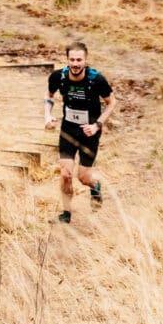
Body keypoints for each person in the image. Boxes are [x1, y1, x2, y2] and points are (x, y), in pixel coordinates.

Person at [44, 42, 115, 223]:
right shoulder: (58, 77)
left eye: (79, 60)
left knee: (83, 177)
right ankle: (66, 214)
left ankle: (95, 186)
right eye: (72, 60)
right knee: (65, 174)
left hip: (89, 132)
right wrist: (47, 115)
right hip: (68, 130)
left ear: (85, 60)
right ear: (67, 59)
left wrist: (97, 125)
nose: (75, 64)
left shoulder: (96, 80)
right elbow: (49, 95)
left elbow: (111, 103)